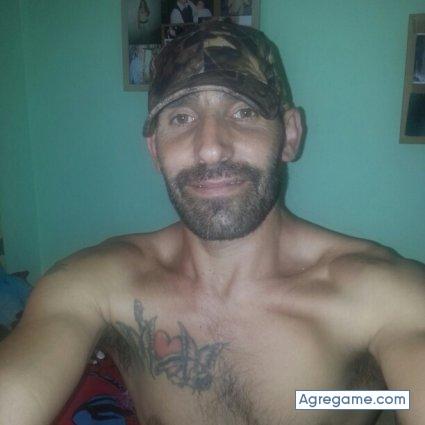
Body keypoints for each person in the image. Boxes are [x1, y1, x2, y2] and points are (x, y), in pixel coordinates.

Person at [0, 21, 424, 425]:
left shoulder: (383, 297)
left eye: (243, 111)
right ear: (154, 149)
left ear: (290, 134)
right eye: (181, 118)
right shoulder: (99, 284)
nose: (210, 149)